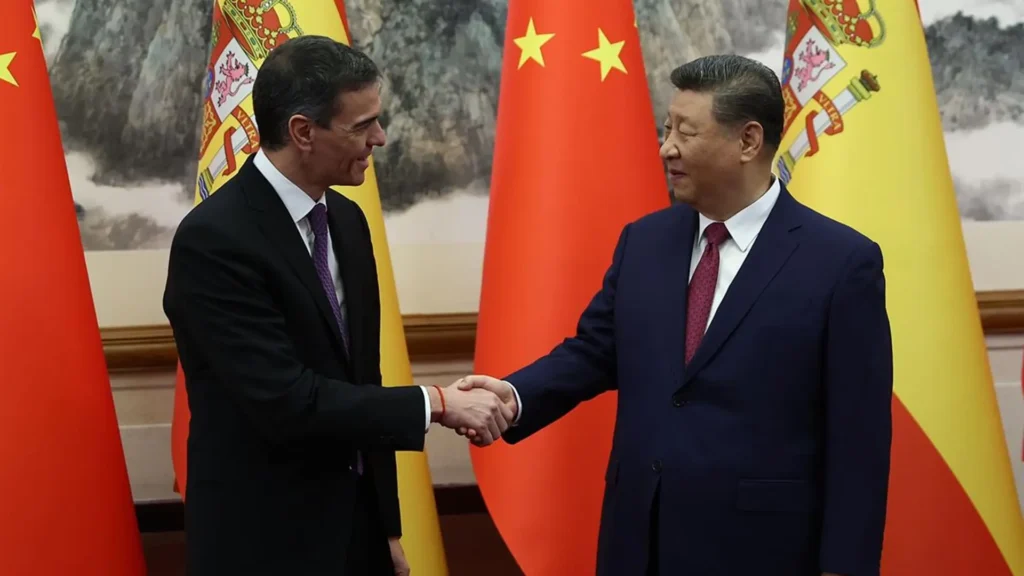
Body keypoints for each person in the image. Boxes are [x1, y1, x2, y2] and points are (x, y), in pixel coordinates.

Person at [459, 54, 893, 576]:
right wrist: (516, 394)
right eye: (666, 128)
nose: (667, 148)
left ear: (748, 141)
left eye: (685, 132)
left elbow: (859, 440)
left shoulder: (841, 262)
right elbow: (597, 350)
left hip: (762, 551)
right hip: (638, 541)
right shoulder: (644, 241)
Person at [163, 36, 513, 576]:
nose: (380, 137)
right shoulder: (214, 240)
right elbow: (285, 400)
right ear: (303, 132)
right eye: (361, 125)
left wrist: (387, 528)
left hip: (355, 534)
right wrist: (438, 402)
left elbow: (361, 379)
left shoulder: (347, 221)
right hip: (265, 543)